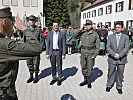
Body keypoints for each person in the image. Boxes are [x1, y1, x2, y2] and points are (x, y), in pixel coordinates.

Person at [0, 7, 42, 100]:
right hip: (5, 94)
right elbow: (37, 48)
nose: (13, 26)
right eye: (11, 23)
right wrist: (25, 29)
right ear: (4, 22)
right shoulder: (5, 44)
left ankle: (34, 75)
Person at [74, 19, 100, 88]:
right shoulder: (83, 33)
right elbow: (74, 35)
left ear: (91, 26)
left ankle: (89, 82)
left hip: (90, 54)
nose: (87, 26)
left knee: (90, 68)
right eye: (86, 25)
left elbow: (98, 46)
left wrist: (94, 55)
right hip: (83, 53)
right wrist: (80, 29)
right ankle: (85, 80)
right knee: (83, 67)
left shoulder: (95, 34)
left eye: (89, 25)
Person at [106, 22, 130, 94]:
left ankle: (119, 86)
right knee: (110, 73)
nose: (117, 28)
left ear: (122, 28)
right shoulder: (110, 36)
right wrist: (114, 54)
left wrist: (120, 55)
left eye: (118, 27)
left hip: (121, 59)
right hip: (112, 58)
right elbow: (108, 47)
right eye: (116, 27)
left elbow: (127, 47)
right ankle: (109, 85)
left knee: (120, 73)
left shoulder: (126, 37)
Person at [26, 15, 43, 83]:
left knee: (36, 64)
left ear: (35, 21)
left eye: (33, 20)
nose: (32, 21)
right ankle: (31, 76)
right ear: (29, 21)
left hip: (36, 50)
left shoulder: (38, 30)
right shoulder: (26, 30)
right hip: (28, 50)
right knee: (29, 63)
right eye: (30, 20)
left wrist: (40, 49)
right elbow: (24, 40)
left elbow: (41, 40)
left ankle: (36, 76)